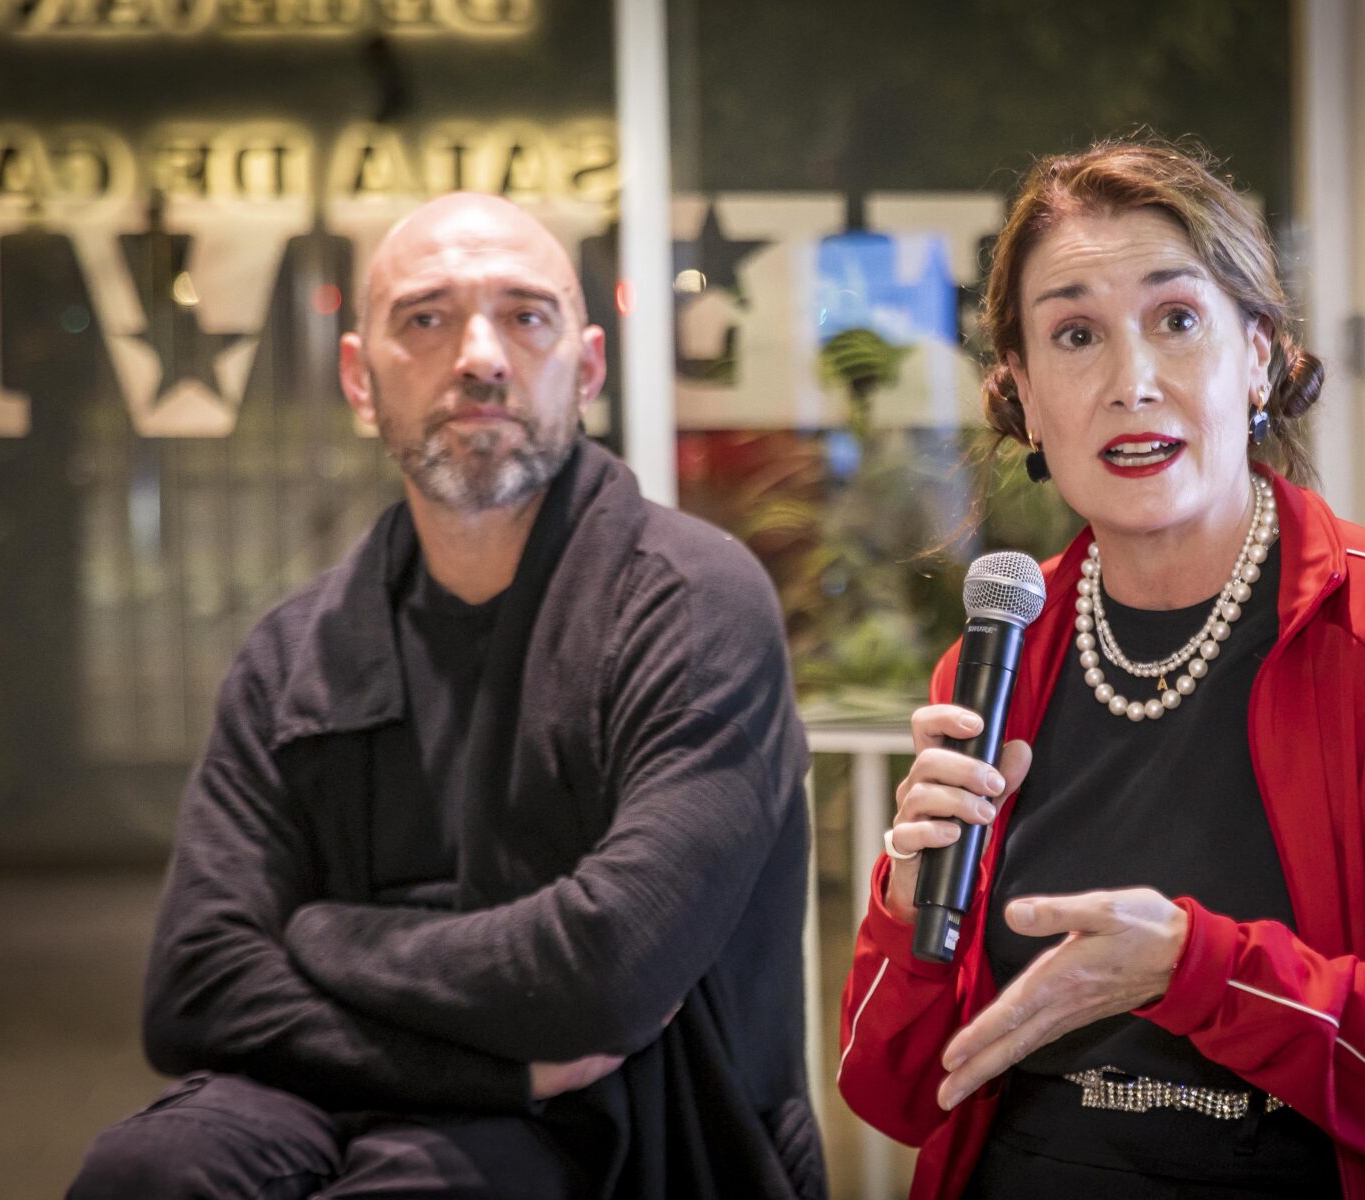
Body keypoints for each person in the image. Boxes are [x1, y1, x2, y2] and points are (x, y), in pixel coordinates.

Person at [837, 141, 1365, 1199]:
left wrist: (1194, 969)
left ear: (1257, 357)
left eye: (1177, 320)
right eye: (1076, 335)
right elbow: (892, 1091)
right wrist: (910, 911)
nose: (1130, 383)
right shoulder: (995, 663)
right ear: (1025, 397)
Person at [69, 193, 825, 1200]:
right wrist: (488, 1069)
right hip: (360, 1088)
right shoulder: (294, 653)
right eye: (425, 318)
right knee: (144, 1173)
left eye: (526, 316)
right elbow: (196, 985)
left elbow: (608, 971)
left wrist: (325, 933)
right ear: (359, 379)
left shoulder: (692, 604)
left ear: (587, 368)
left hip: (627, 1118)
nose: (480, 357)